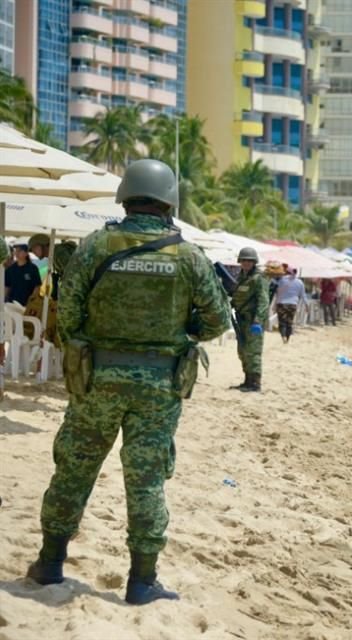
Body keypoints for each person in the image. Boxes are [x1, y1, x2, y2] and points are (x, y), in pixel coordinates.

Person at [25, 158, 233, 605]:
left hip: (97, 377)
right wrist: (180, 332)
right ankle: (142, 581)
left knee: (74, 470)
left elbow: (69, 313)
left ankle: (50, 563)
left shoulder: (96, 246)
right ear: (169, 202)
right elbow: (218, 321)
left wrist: (91, 343)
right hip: (159, 387)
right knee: (146, 480)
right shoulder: (189, 256)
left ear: (126, 196)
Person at [231, 247, 270, 392]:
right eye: (244, 260)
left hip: (253, 321)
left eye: (249, 261)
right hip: (242, 320)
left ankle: (255, 383)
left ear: (254, 262)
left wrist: (258, 320)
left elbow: (263, 301)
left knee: (253, 352)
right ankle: (247, 380)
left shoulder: (259, 278)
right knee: (243, 351)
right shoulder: (241, 277)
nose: (246, 263)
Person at [275, 268, 305, 344]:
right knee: (289, 322)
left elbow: (277, 291)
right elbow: (302, 295)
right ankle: (287, 338)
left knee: (282, 321)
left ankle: (283, 336)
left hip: (282, 304)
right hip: (293, 304)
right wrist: (306, 305)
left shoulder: (281, 280)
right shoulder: (300, 282)